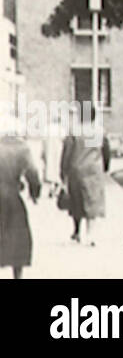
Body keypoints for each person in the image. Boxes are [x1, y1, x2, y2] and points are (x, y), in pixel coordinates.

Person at [60, 108, 110, 246]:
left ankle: (76, 232)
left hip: (76, 170)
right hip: (93, 170)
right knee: (92, 200)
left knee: (76, 201)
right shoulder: (99, 132)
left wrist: (63, 171)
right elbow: (106, 152)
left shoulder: (74, 132)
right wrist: (105, 167)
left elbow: (67, 153)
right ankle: (90, 234)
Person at [0, 115, 41, 278]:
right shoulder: (22, 148)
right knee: (18, 235)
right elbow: (33, 172)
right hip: (12, 196)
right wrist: (34, 192)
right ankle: (17, 274)